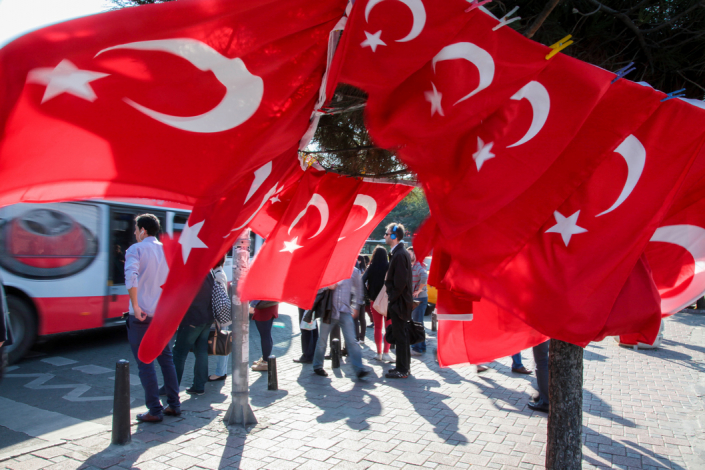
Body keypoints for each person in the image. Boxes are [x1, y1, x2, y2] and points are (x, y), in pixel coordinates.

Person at [125, 214, 180, 422]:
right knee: (166, 360)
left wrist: (136, 305)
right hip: (162, 316)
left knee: (145, 362)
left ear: (143, 230)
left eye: (136, 229)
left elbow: (130, 277)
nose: (135, 233)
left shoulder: (136, 249)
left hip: (141, 316)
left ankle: (154, 410)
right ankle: (174, 404)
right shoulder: (168, 250)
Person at [312, 264, 370, 379]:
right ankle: (317, 366)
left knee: (352, 341)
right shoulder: (330, 268)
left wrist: (356, 306)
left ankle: (359, 369)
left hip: (345, 311)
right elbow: (318, 286)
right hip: (329, 311)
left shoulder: (354, 271)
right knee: (322, 340)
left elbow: (359, 290)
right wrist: (328, 286)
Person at [171, 270, 216, 395]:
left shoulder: (190, 273)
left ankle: (172, 387)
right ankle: (199, 386)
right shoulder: (208, 271)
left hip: (192, 319)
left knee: (179, 353)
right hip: (206, 318)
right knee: (201, 352)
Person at [383, 223, 413, 379]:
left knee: (400, 336)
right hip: (400, 302)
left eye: (387, 234)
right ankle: (403, 367)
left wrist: (392, 297)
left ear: (394, 236)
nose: (385, 236)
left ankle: (402, 369)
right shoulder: (399, 252)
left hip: (399, 303)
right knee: (401, 336)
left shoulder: (400, 254)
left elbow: (400, 282)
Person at [362, 246, 392, 362]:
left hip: (374, 300)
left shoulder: (371, 267)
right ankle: (386, 353)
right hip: (387, 301)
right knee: (388, 328)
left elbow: (362, 281)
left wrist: (368, 295)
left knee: (377, 327)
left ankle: (378, 353)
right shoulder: (389, 267)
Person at [209, 256, 230, 381]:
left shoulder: (218, 274)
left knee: (222, 343)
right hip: (221, 315)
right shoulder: (218, 272)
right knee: (222, 342)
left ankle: (220, 372)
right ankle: (221, 371)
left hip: (220, 316)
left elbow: (220, 298)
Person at [408, 247, 428, 356]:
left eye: (410, 254)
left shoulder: (417, 265)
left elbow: (424, 276)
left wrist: (419, 290)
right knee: (419, 323)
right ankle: (421, 346)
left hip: (419, 299)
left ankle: (416, 349)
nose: (408, 256)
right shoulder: (412, 266)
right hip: (418, 299)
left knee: (416, 324)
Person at [251, 301, 279, 371]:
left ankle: (265, 362)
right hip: (271, 304)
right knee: (267, 334)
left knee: (265, 335)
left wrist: (252, 305)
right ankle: (266, 358)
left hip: (263, 307)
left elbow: (259, 295)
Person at [527, 340, 550, 412]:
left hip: (542, 334)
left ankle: (545, 401)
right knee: (543, 360)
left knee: (541, 361)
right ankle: (544, 394)